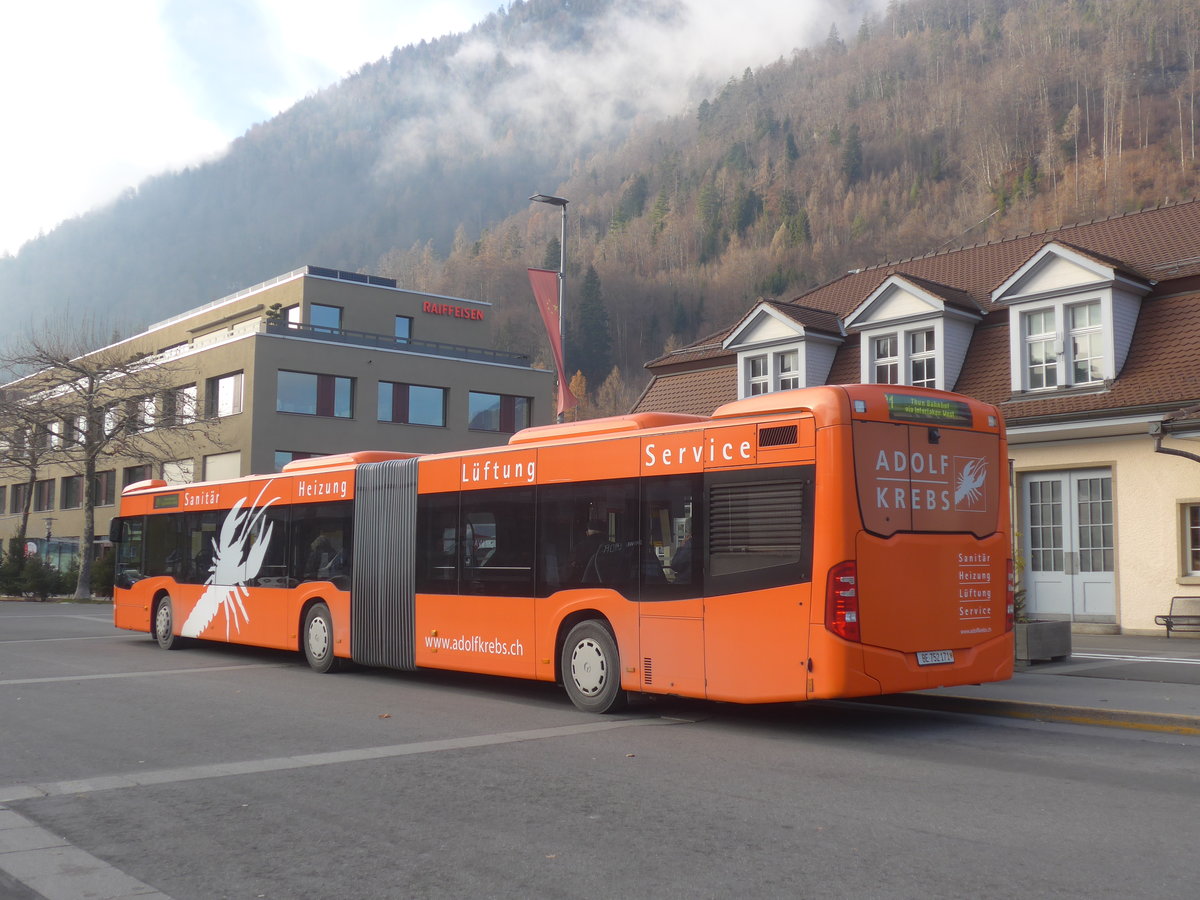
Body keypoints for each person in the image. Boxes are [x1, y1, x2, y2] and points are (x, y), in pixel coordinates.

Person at [566, 517, 608, 584]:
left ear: (587, 532)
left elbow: (570, 571)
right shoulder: (612, 546)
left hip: (584, 586)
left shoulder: (579, 548)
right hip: (609, 585)